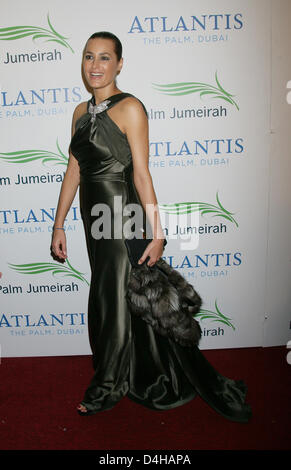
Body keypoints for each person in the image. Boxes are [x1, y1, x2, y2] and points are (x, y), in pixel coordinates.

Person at [51, 31, 252, 422]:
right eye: (89, 57)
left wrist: (158, 233)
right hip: (94, 219)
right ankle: (134, 371)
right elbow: (73, 169)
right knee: (118, 297)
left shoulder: (130, 109)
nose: (95, 65)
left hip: (122, 217)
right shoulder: (78, 112)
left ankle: (107, 386)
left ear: (119, 64)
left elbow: (142, 174)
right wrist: (58, 225)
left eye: (105, 57)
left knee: (112, 300)